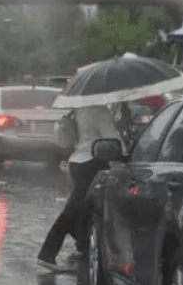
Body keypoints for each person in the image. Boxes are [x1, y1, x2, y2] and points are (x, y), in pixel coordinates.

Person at [37, 104, 124, 272]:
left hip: (76, 161)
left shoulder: (80, 108)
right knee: (74, 209)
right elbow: (111, 138)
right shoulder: (99, 110)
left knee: (86, 207)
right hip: (90, 162)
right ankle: (47, 254)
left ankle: (83, 246)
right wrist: (124, 155)